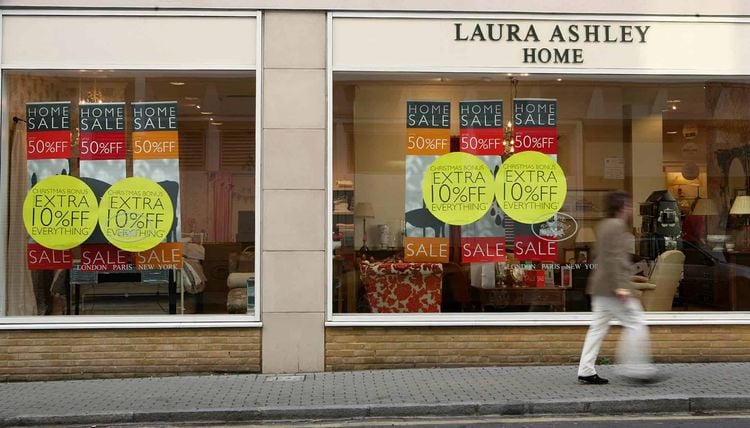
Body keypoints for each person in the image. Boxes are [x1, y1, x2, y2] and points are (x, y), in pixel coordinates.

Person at [576, 191, 665, 385]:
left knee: (597, 329)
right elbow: (613, 260)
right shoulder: (616, 226)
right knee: (636, 323)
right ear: (622, 207)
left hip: (600, 287)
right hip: (613, 289)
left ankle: (585, 370)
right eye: (629, 205)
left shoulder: (603, 225)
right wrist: (621, 289)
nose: (631, 209)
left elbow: (600, 256)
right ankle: (636, 369)